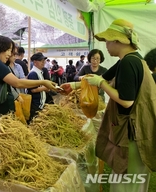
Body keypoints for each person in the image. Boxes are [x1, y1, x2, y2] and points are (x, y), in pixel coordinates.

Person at [61, 19, 155, 192]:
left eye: (107, 41)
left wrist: (102, 85)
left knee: (127, 182)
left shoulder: (129, 62)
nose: (106, 46)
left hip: (132, 133)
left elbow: (127, 101)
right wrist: (74, 86)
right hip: (134, 130)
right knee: (130, 180)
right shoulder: (128, 60)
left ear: (118, 41)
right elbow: (100, 79)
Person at [0, 35, 58, 126]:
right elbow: (17, 82)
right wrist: (43, 82)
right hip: (1, 112)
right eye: (9, 50)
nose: (10, 54)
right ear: (1, 47)